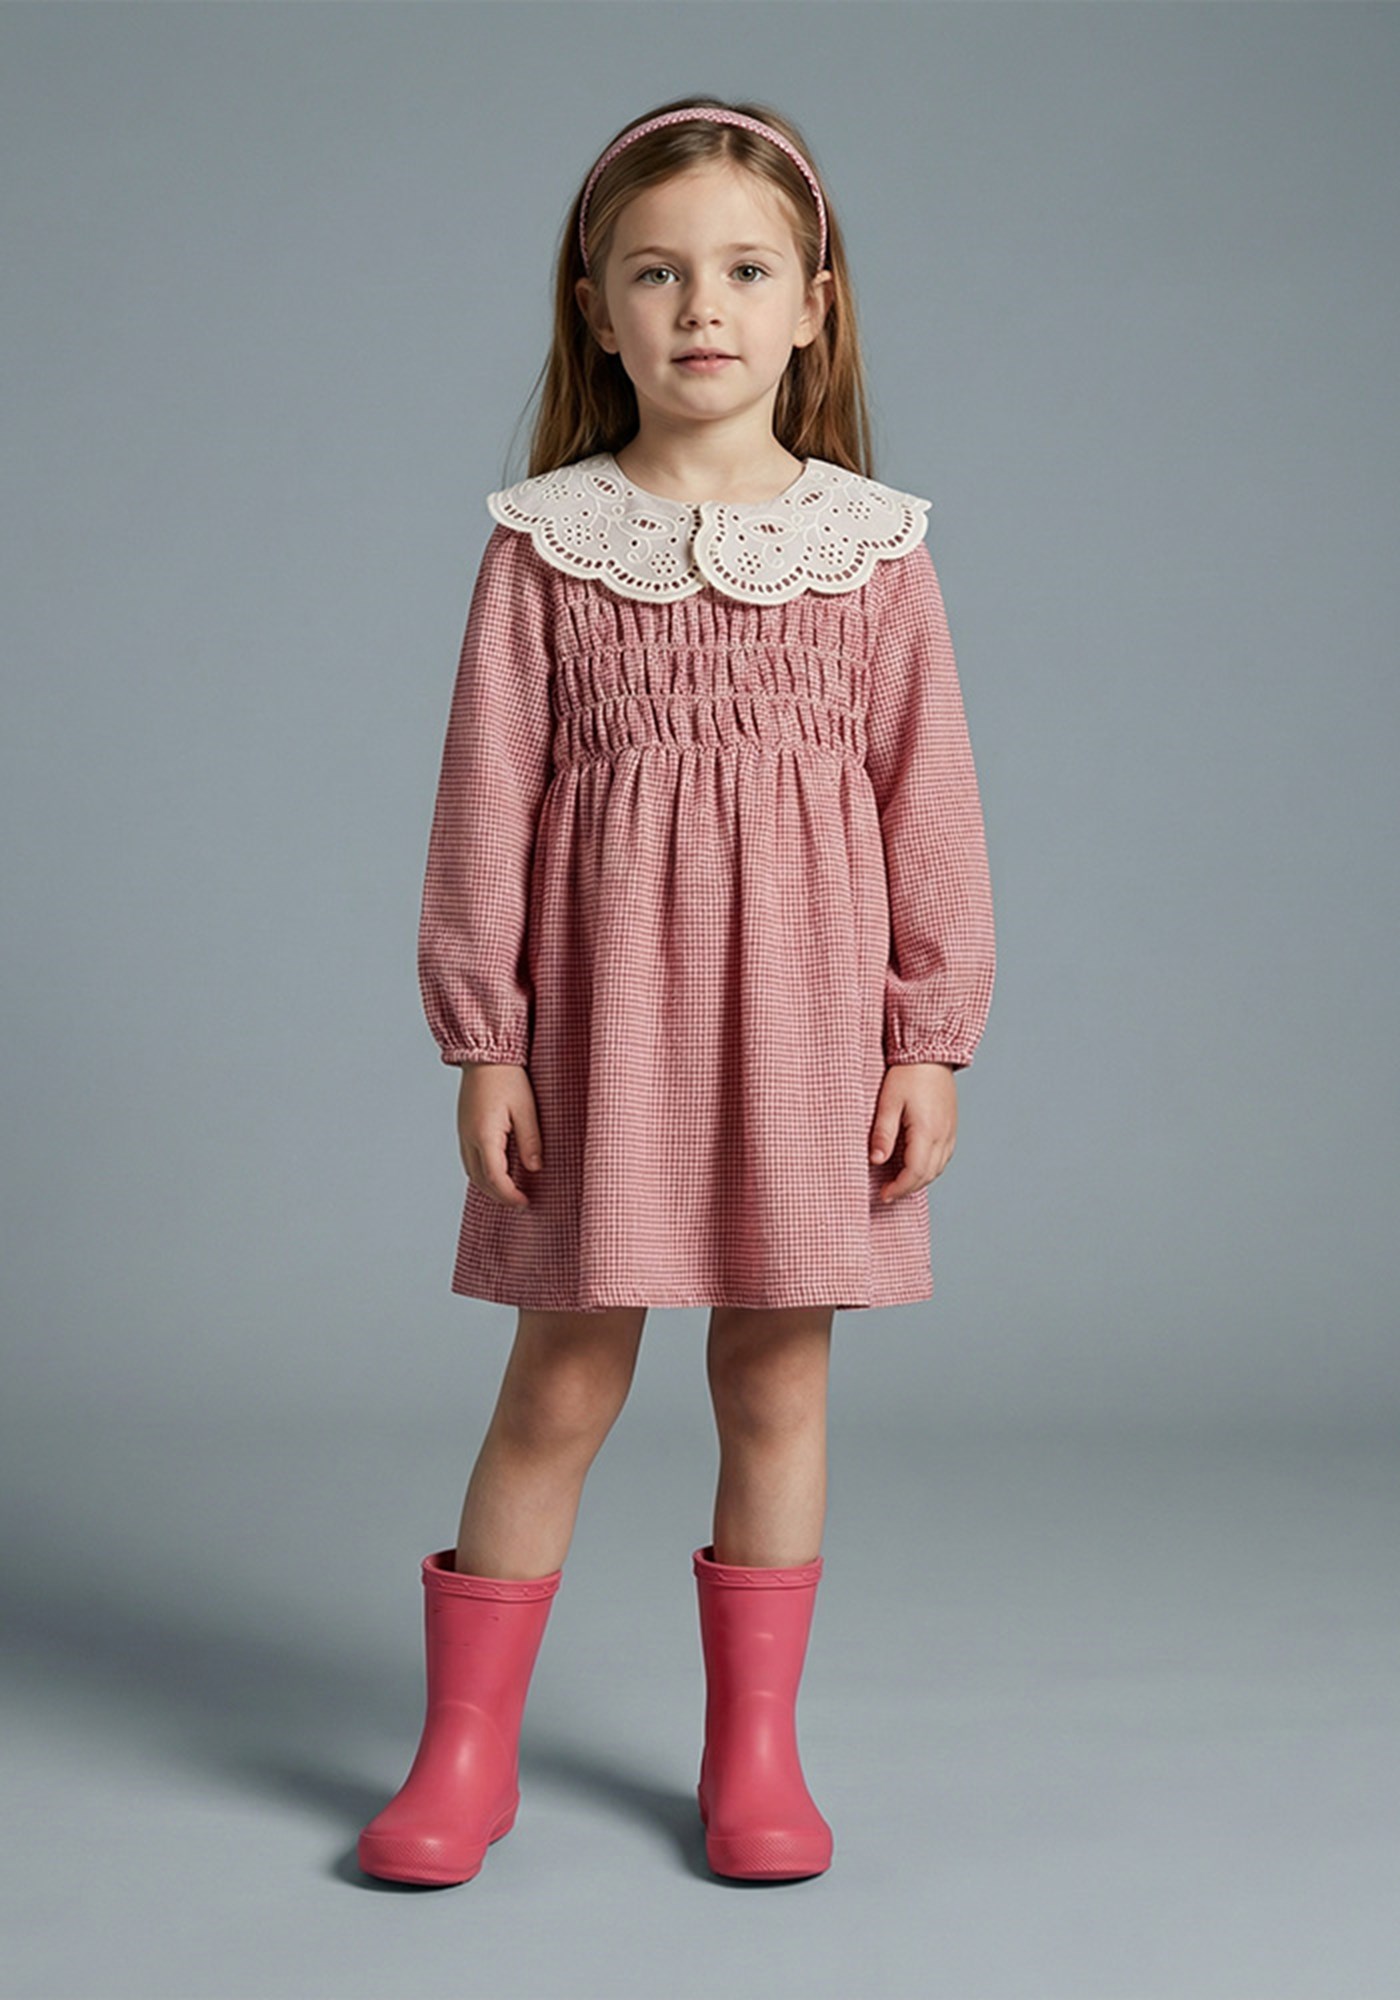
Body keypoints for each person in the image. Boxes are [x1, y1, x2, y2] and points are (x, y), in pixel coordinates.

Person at [357, 95, 996, 1890]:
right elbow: (483, 800)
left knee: (775, 1380)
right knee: (561, 1381)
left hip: (807, 1035)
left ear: (813, 307)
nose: (702, 305)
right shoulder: (545, 546)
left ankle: (755, 1758)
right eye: (657, 272)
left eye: (744, 271)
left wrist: (930, 1038)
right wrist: (483, 1039)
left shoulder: (872, 549)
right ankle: (463, 1756)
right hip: (604, 1039)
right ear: (596, 309)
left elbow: (930, 805)